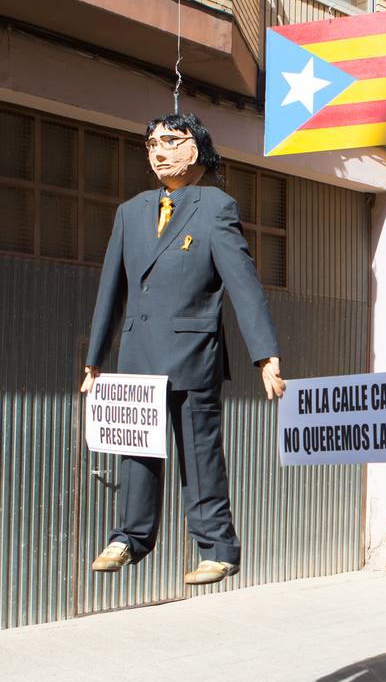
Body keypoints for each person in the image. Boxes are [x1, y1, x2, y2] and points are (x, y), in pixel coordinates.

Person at [83, 113, 284, 585]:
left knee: (200, 454)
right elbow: (110, 288)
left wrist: (265, 354)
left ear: (195, 149)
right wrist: (95, 359)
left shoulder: (215, 206)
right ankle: (130, 537)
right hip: (137, 351)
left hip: (193, 353)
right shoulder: (130, 212)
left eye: (170, 141)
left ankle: (217, 546)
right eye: (151, 142)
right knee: (134, 448)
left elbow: (244, 284)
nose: (158, 151)